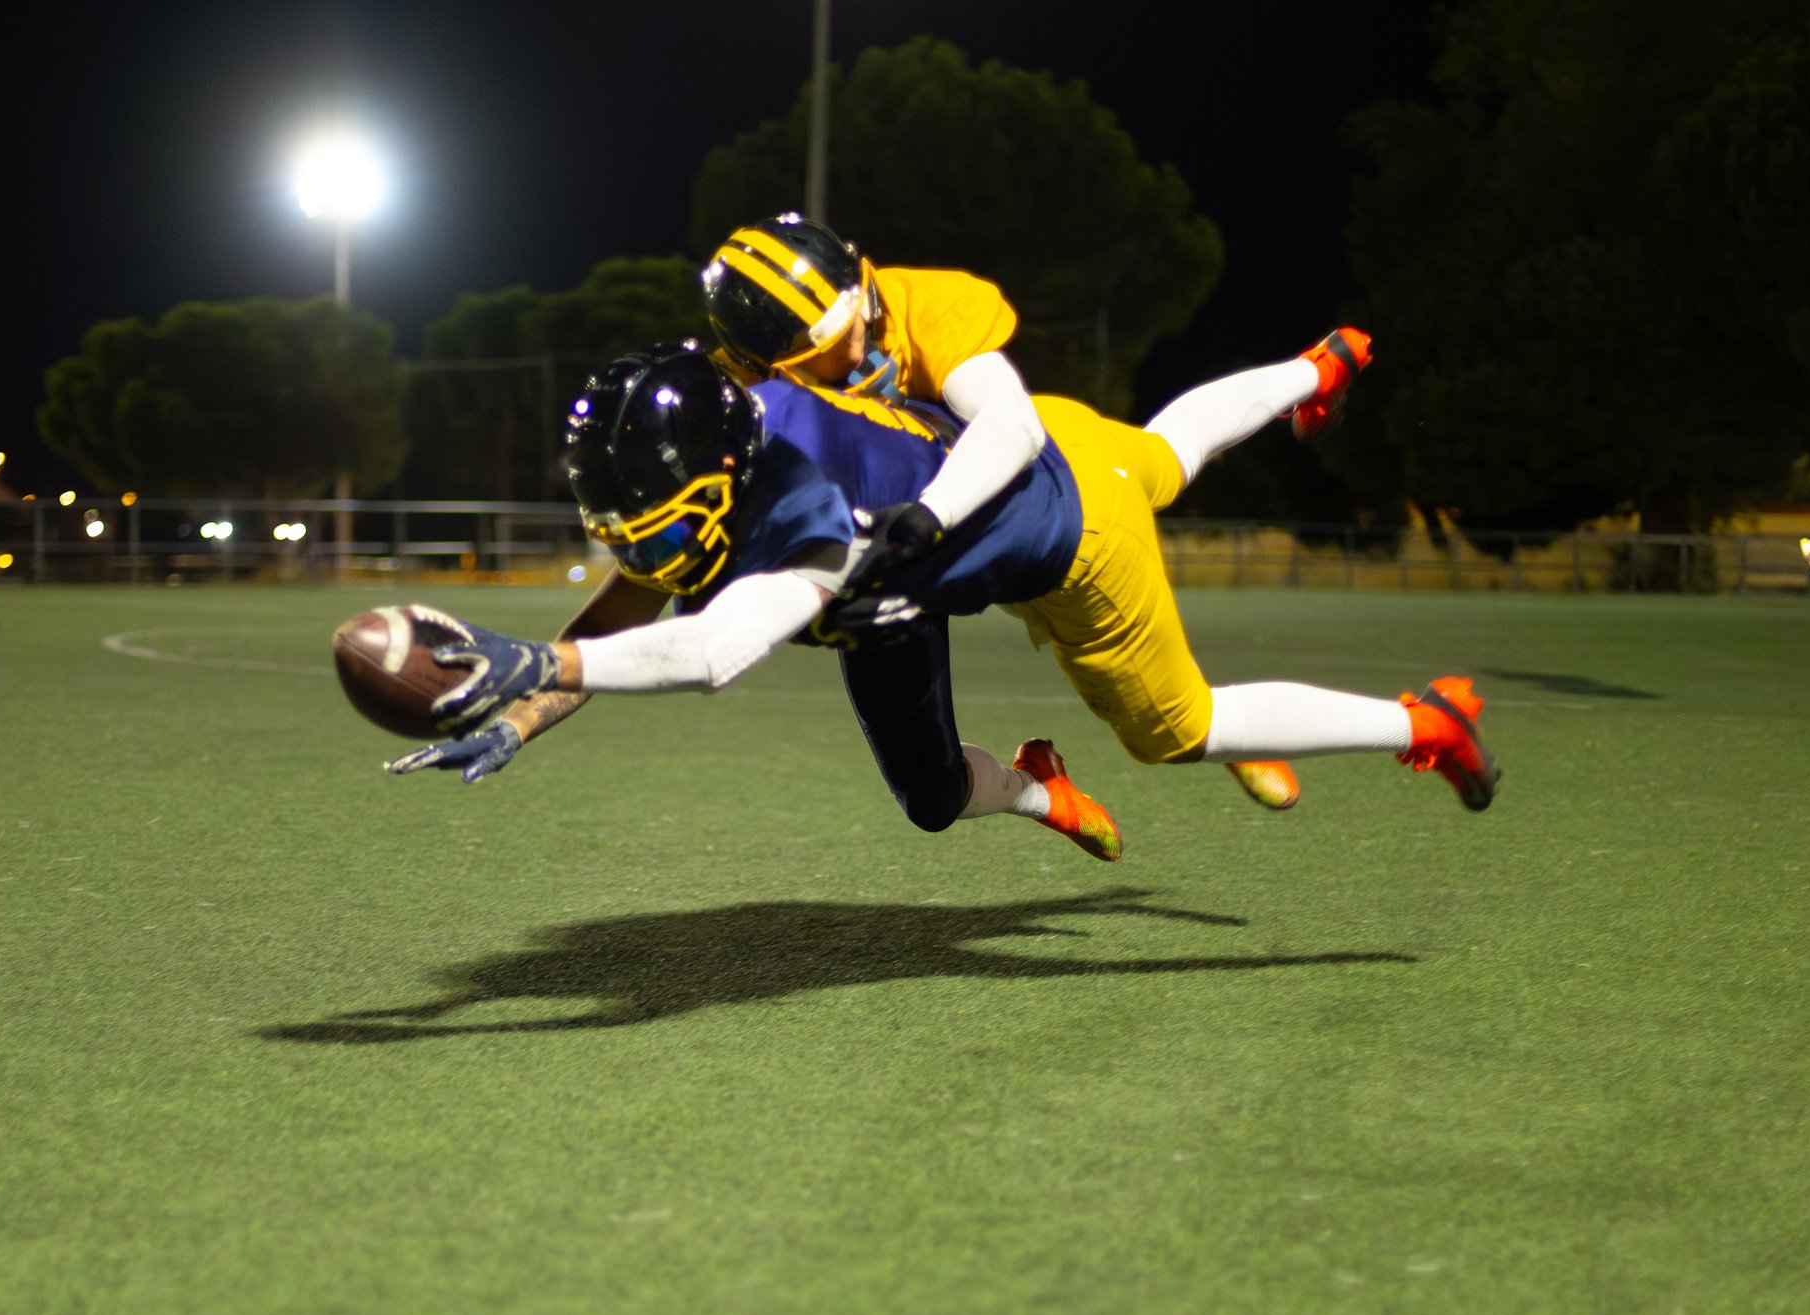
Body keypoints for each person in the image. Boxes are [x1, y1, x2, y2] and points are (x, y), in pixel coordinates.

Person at [387, 337, 1497, 863]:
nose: (644, 547)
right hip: (997, 480)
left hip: (1069, 542)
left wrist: (543, 668)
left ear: (724, 475)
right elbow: (641, 604)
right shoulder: (732, 434)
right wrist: (526, 711)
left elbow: (715, 648)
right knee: (1169, 445)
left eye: (656, 517)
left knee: (1185, 729)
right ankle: (1319, 367)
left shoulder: (812, 520)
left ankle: (1427, 721)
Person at [701, 213, 1306, 810]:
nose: (857, 335)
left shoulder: (920, 305)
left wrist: (927, 518)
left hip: (1004, 506)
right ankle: (1040, 792)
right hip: (883, 563)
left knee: (1168, 464)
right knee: (931, 798)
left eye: (852, 307)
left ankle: (1221, 722)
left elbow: (1011, 425)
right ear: (764, 368)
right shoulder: (742, 403)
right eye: (824, 343)